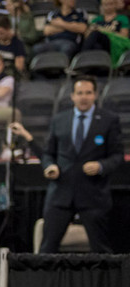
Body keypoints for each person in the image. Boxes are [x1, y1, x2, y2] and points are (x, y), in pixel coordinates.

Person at [39, 75, 124, 253]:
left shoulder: (109, 120)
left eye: (88, 93)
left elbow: (117, 156)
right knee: (47, 249)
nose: (83, 97)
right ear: (72, 96)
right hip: (60, 195)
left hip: (93, 196)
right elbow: (48, 153)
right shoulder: (59, 120)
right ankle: (46, 281)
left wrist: (101, 166)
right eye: (79, 93)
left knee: (101, 249)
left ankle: (104, 282)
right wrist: (49, 166)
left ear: (95, 95)